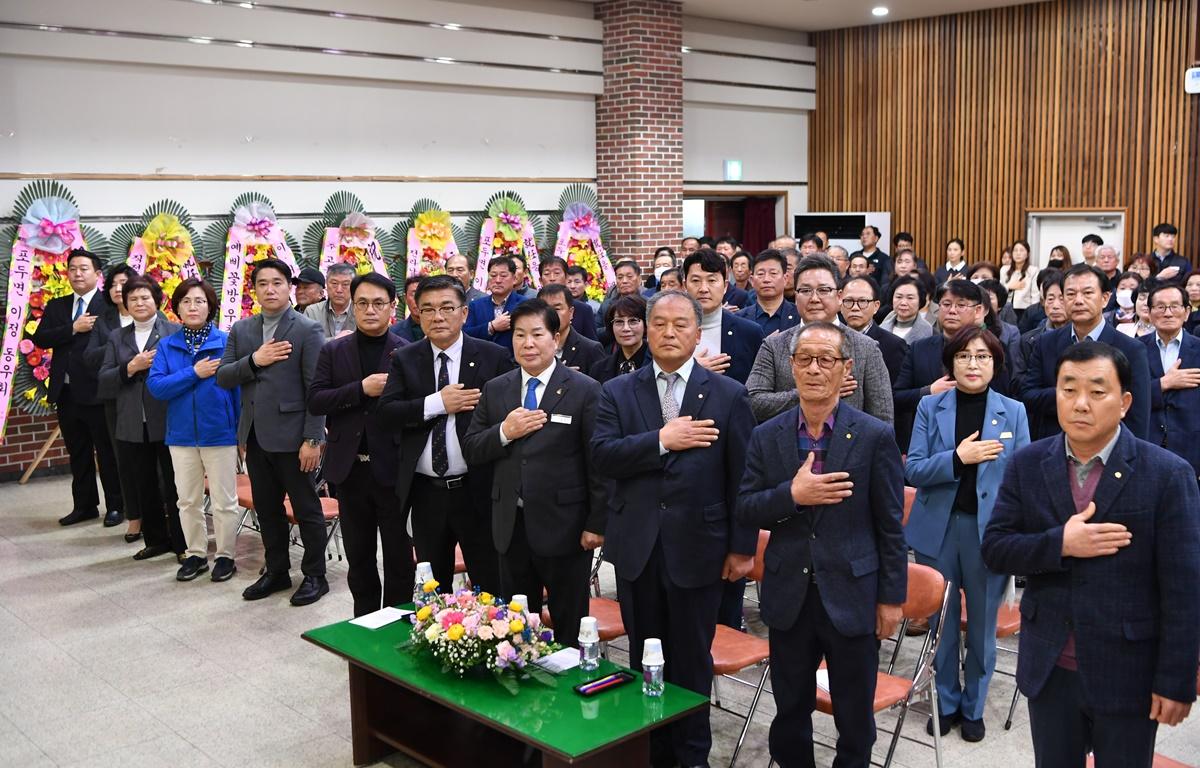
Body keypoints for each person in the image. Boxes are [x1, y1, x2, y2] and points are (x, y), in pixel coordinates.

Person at [982, 342, 1200, 768]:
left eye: (1097, 392)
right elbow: (995, 548)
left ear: (1125, 403)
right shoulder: (1028, 463)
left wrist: (1177, 680)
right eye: (1068, 389)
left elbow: (1185, 586)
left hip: (1128, 671)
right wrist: (1059, 544)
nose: (1080, 404)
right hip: (1050, 665)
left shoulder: (1167, 474)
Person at [591, 290, 756, 768]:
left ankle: (692, 755)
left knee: (690, 660)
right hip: (638, 546)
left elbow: (741, 477)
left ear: (697, 330)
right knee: (644, 654)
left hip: (700, 549)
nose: (667, 332)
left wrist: (742, 548)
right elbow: (603, 456)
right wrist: (661, 440)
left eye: (679, 324)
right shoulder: (618, 390)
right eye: (658, 323)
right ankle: (651, 749)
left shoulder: (728, 395)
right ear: (644, 327)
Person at [736, 321, 907, 768]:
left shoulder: (874, 435)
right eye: (804, 360)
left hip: (853, 594)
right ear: (791, 367)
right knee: (790, 710)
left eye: (825, 360)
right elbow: (747, 508)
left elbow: (890, 524)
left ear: (845, 367)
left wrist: (891, 598)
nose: (814, 369)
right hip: (789, 594)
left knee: (855, 717)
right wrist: (791, 496)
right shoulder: (767, 434)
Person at [904, 327, 1030, 742]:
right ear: (951, 364)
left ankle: (974, 707)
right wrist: (958, 457)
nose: (972, 364)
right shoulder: (930, 406)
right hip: (938, 530)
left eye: (982, 357)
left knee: (981, 626)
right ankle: (946, 700)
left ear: (995, 364)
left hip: (988, 534)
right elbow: (914, 469)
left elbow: (1020, 480)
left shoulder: (1013, 411)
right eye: (963, 357)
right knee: (940, 626)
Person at [463, 300, 606, 647]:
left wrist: (596, 523)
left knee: (568, 620)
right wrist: (504, 433)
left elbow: (598, 463)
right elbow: (472, 447)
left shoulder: (584, 389)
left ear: (555, 339)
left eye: (537, 334)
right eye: (519, 335)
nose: (527, 343)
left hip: (566, 526)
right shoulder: (497, 388)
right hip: (510, 522)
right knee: (515, 622)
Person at [378, 275, 511, 594]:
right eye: (428, 309)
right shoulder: (406, 358)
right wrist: (437, 403)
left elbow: (505, 419)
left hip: (477, 488)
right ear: (418, 314)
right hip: (426, 492)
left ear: (464, 313)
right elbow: (387, 413)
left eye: (447, 308)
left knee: (488, 582)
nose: (437, 316)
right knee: (432, 585)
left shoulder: (493, 357)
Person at [217, 258, 330, 606]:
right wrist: (256, 360)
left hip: (295, 437)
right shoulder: (242, 330)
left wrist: (313, 439)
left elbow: (317, 388)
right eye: (263, 283)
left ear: (289, 287)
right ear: (254, 290)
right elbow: (224, 376)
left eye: (277, 282)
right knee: (267, 509)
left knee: (306, 508)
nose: (270, 289)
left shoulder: (307, 330)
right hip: (254, 436)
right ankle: (277, 571)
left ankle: (315, 575)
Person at [308, 272, 413, 616]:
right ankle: (365, 627)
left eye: (378, 303)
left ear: (392, 307)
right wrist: (360, 389)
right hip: (350, 470)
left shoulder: (408, 352)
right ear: (353, 306)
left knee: (399, 557)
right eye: (363, 303)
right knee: (360, 557)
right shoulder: (334, 350)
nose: (370, 310)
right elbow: (317, 400)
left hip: (395, 469)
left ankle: (397, 624)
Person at [147, 278, 241, 582]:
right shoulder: (167, 345)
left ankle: (226, 556)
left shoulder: (226, 342)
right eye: (186, 301)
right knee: (187, 500)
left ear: (210, 306)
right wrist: (193, 372)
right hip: (181, 436)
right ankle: (196, 554)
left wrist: (240, 433)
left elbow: (239, 390)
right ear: (177, 308)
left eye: (199, 301)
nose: (193, 306)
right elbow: (157, 387)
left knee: (225, 501)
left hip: (220, 434)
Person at [30, 248, 124, 527]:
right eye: (72, 269)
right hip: (67, 392)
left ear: (98, 275)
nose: (77, 273)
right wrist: (73, 328)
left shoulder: (108, 308)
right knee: (78, 452)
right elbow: (42, 338)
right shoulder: (58, 306)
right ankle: (84, 506)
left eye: (84, 269)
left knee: (106, 452)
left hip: (97, 392)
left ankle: (116, 506)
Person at [97, 275, 184, 562]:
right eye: (132, 298)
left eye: (145, 297)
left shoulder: (173, 331)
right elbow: (105, 381)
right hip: (132, 423)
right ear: (125, 303)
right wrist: (130, 367)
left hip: (168, 419)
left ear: (156, 300)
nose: (139, 303)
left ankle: (182, 542)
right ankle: (156, 539)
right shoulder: (117, 337)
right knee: (143, 483)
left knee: (173, 484)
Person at [747, 255, 894, 425]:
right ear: (795, 297)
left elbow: (883, 419)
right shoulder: (774, 346)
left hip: (850, 447)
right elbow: (752, 402)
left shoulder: (866, 348)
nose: (814, 298)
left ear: (839, 296)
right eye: (806, 290)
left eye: (823, 290)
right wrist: (804, 393)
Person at [1020, 264, 1151, 441]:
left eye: (1088, 293)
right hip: (1055, 448)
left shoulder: (1131, 349)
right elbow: (1028, 395)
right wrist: (1070, 392)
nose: (1078, 300)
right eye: (1071, 294)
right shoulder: (1046, 342)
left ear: (1105, 298)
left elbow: (1138, 416)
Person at [894, 281, 1004, 451]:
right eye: (946, 304)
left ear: (978, 311)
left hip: (982, 441)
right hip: (928, 443)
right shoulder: (919, 348)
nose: (952, 311)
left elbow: (1004, 397)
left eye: (961, 305)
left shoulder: (991, 349)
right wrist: (928, 391)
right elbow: (897, 398)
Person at [83, 263, 140, 541]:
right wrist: (119, 348)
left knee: (151, 458)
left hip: (147, 397)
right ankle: (123, 509)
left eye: (125, 283)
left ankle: (157, 509)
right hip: (114, 396)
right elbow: (89, 357)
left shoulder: (150, 315)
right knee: (118, 456)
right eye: (115, 283)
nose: (120, 288)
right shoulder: (103, 319)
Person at [1143, 282, 1200, 483]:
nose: (1167, 313)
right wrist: (1163, 384)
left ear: (1186, 313)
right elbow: (1125, 398)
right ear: (1149, 313)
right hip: (1146, 449)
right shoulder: (1135, 350)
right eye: (1160, 307)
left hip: (1192, 451)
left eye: (1174, 306)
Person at [682, 249, 765, 386]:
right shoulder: (668, 331)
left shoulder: (749, 332)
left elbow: (759, 389)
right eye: (696, 280)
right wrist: (688, 369)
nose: (703, 288)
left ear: (725, 286)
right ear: (685, 286)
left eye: (712, 280)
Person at [839, 276, 907, 384]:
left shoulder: (894, 345)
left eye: (862, 301)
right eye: (848, 301)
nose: (855, 307)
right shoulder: (831, 339)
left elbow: (895, 394)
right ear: (840, 304)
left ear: (876, 306)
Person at [464, 256, 527, 353]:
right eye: (493, 275)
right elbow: (466, 335)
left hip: (513, 363)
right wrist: (491, 327)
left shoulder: (525, 305)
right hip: (482, 363)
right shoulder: (476, 305)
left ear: (514, 279)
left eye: (503, 276)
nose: (497, 280)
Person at [537, 283, 605, 375]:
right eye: (545, 309)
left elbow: (601, 387)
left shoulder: (591, 349)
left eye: (557, 308)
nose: (551, 314)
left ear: (571, 312)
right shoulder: (532, 347)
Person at [737, 249, 800, 335]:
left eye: (773, 273)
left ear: (785, 279)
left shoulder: (799, 315)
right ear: (752, 280)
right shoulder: (739, 318)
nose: (766, 279)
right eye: (760, 274)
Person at [591, 294, 651, 383]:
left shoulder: (659, 364)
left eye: (633, 321)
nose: (626, 328)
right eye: (619, 322)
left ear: (645, 325)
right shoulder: (599, 369)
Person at [539, 255, 598, 340]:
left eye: (557, 273)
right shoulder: (533, 307)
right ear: (540, 280)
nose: (552, 278)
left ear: (566, 278)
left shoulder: (583, 309)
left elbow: (592, 345)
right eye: (547, 274)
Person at [304, 263, 356, 339]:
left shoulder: (361, 311)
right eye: (334, 283)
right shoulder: (312, 312)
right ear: (327, 285)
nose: (339, 290)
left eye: (345, 284)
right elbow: (307, 344)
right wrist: (336, 339)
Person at [880, 276, 934, 344]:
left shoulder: (930, 332)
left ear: (920, 301)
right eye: (899, 297)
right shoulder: (882, 328)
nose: (903, 303)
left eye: (910, 298)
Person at [1001, 240, 1039, 319]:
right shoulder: (1004, 269)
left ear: (1027, 254)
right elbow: (1000, 290)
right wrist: (1009, 286)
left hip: (1025, 309)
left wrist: (1034, 313)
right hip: (1006, 308)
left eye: (1021, 250)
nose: (1018, 253)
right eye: (1015, 250)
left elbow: (1035, 295)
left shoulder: (1033, 270)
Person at [389, 276, 425, 343]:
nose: (418, 300)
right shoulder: (392, 332)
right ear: (405, 298)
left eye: (423, 294)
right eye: (414, 294)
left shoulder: (442, 329)